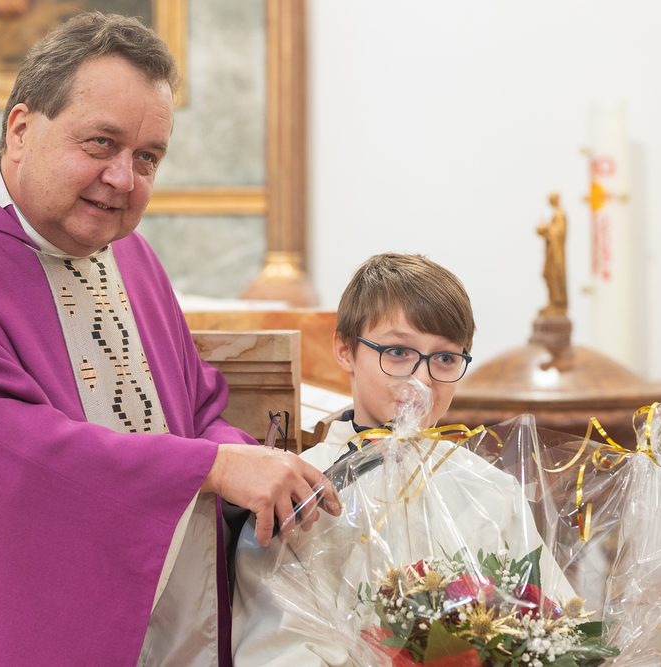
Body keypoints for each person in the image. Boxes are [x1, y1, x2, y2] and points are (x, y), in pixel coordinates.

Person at [0, 12, 337, 666]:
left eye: (147, 157)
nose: (124, 179)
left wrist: (266, 470)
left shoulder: (128, 257)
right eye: (101, 143)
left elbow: (198, 411)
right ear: (21, 130)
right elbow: (10, 453)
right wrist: (212, 468)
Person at [232, 253, 578, 667]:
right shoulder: (299, 491)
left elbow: (558, 622)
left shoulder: (491, 492)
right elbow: (277, 649)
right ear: (345, 350)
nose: (422, 379)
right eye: (398, 351)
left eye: (445, 358)